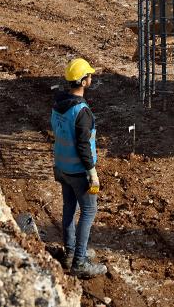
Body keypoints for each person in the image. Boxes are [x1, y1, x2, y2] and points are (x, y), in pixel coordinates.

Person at [51, 58, 107, 279]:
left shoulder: (58, 104)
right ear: (84, 81)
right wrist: (91, 172)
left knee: (68, 207)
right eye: (90, 76)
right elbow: (84, 145)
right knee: (89, 211)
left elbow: (56, 130)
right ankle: (80, 262)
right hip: (78, 170)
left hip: (62, 167)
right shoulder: (82, 112)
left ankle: (70, 252)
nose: (91, 78)